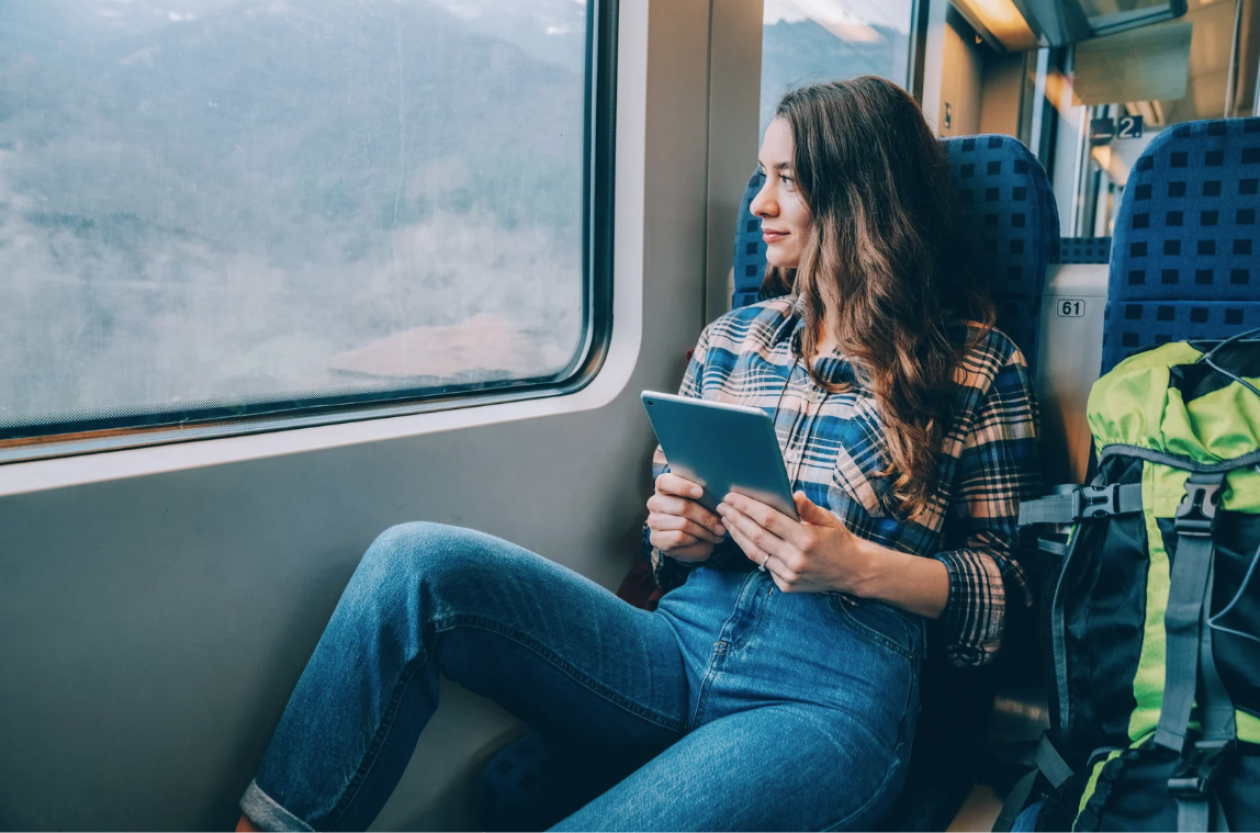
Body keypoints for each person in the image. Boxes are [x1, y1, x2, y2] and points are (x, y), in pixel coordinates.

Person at [236, 76, 1041, 832]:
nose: (759, 203)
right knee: (413, 562)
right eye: (762, 176)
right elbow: (672, 546)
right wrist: (673, 535)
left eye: (787, 180)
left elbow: (1006, 592)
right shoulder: (732, 341)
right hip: (673, 646)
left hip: (827, 697)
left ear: (861, 195)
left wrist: (855, 564)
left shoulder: (978, 365)